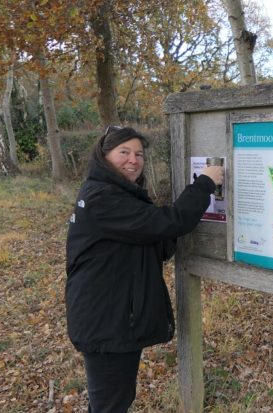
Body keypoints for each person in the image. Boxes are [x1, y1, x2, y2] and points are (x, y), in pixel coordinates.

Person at [65, 126, 223, 412]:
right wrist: (205, 183)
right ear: (104, 155)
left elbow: (153, 238)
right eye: (123, 152)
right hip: (107, 321)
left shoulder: (113, 193)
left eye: (138, 154)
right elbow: (168, 222)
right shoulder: (104, 197)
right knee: (111, 404)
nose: (133, 160)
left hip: (110, 315)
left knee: (112, 400)